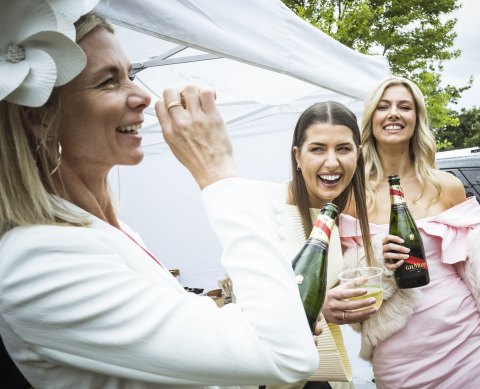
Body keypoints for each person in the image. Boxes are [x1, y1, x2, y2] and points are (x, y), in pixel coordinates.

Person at [0, 6, 319, 388]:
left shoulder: (108, 228)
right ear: (39, 118)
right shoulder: (37, 259)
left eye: (131, 74)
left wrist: (270, 317)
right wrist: (217, 172)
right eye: (108, 81)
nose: (142, 97)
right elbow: (284, 356)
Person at [325, 76, 480, 388]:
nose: (394, 113)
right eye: (383, 107)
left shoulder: (446, 185)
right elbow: (344, 279)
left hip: (468, 341)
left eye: (404, 106)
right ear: (371, 120)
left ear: (416, 119)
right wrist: (381, 263)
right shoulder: (353, 196)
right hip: (398, 353)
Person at [239, 101, 375, 389]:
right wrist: (316, 309)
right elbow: (247, 317)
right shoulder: (267, 213)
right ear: (297, 156)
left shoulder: (333, 213)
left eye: (343, 148)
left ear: (358, 154)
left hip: (328, 376)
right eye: (317, 149)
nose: (332, 162)